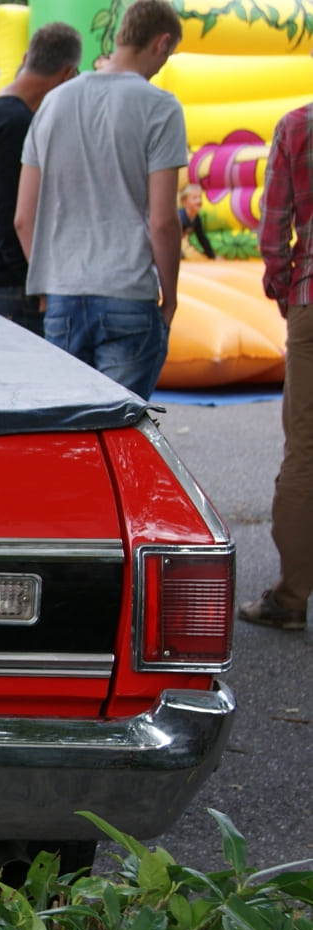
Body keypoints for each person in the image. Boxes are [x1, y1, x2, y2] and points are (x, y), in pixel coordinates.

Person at [14, 0, 187, 400]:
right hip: (128, 294)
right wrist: (171, 298)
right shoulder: (161, 108)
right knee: (117, 434)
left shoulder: (53, 103)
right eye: (169, 54)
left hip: (62, 294)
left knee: (64, 435)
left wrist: (47, 281)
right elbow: (162, 221)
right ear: (161, 43)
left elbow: (24, 218)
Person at [240, 90, 313, 631]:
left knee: (305, 448)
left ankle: (290, 598)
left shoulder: (296, 126)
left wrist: (286, 288)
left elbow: (273, 231)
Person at [0, 22, 81, 335]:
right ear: (68, 75)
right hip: (14, 292)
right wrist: (37, 285)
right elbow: (13, 221)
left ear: (28, 57)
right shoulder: (16, 125)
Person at [178, 182, 217, 259]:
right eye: (194, 198)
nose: (199, 201)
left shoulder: (196, 218)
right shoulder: (180, 218)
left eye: (200, 197)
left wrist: (212, 256)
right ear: (185, 202)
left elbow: (202, 238)